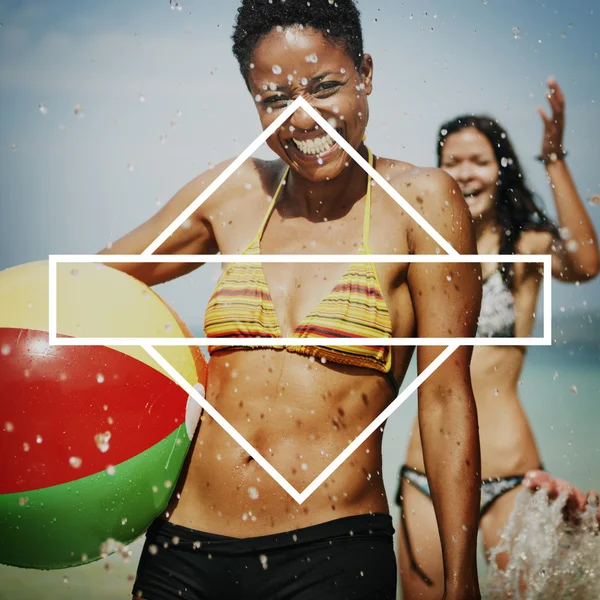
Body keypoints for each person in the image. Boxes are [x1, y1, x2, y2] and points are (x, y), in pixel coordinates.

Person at [99, 2, 484, 599]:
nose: (303, 117)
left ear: (367, 75)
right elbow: (85, 284)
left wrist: (462, 582)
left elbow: (445, 395)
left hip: (333, 551)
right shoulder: (233, 192)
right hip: (182, 550)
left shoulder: (422, 202)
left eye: (325, 86)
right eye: (274, 97)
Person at [396, 78, 600, 600]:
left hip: (511, 472)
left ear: (501, 167)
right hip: (427, 472)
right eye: (453, 161)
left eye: (480, 161)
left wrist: (553, 157)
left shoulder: (526, 248)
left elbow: (586, 261)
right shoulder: (422, 249)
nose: (466, 173)